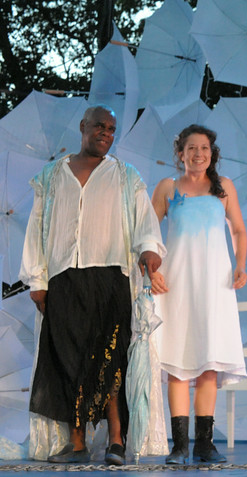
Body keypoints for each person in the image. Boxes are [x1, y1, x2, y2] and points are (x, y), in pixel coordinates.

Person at [19, 105, 167, 465]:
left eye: (112, 129)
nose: (105, 132)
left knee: (110, 360)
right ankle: (77, 443)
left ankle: (116, 440)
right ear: (83, 126)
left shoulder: (126, 176)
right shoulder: (51, 176)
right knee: (69, 362)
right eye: (99, 126)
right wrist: (36, 279)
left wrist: (149, 253)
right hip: (63, 278)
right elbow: (36, 230)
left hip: (109, 278)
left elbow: (146, 224)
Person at [150, 124, 247, 465]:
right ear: (181, 153)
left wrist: (240, 265)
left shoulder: (224, 189)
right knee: (178, 364)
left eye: (204, 148)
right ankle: (178, 445)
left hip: (214, 284)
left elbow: (237, 229)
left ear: (212, 153)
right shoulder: (167, 187)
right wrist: (151, 270)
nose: (198, 154)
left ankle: (204, 444)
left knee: (208, 364)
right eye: (192, 148)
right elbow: (148, 234)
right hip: (176, 282)